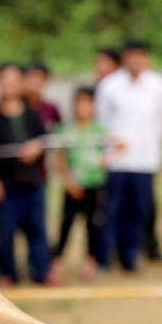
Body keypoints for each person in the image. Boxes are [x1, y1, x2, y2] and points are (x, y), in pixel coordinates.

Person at [96, 39, 162, 272]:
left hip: (145, 161)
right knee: (113, 210)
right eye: (132, 55)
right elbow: (102, 123)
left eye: (141, 55)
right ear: (124, 58)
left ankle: (132, 256)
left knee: (140, 211)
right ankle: (108, 257)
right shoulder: (109, 85)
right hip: (117, 162)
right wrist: (110, 148)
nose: (136, 60)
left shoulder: (158, 85)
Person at [0, 62, 51, 286]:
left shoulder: (32, 115)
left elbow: (45, 141)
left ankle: (41, 271)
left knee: (37, 229)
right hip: (6, 186)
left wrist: (37, 147)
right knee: (5, 232)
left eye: (14, 80)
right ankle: (7, 272)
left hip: (32, 184)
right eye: (4, 80)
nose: (9, 85)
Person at [51, 86, 111, 280]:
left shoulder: (99, 130)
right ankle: (56, 264)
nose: (82, 107)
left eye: (87, 103)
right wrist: (68, 182)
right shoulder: (66, 130)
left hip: (95, 185)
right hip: (72, 187)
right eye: (79, 103)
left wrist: (106, 160)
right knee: (66, 225)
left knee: (93, 226)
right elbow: (59, 159)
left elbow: (118, 146)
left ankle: (90, 263)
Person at [24, 62, 61, 131]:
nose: (35, 81)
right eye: (32, 76)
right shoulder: (17, 109)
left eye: (40, 77)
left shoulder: (51, 109)